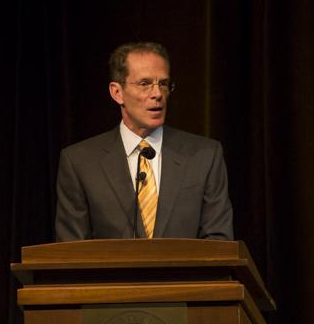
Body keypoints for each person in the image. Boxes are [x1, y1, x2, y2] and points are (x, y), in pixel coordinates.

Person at [55, 42, 233, 241]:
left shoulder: (205, 156)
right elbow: (71, 251)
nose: (157, 94)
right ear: (117, 92)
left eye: (163, 84)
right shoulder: (80, 162)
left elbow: (219, 243)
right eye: (144, 84)